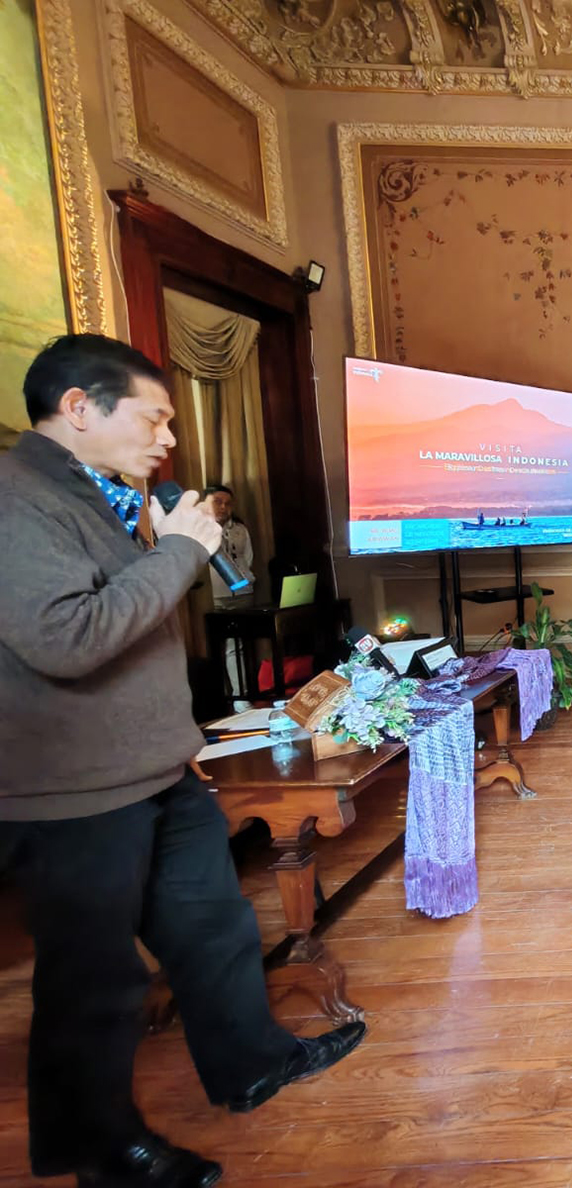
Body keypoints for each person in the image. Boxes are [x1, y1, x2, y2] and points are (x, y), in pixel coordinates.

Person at [0, 336, 364, 1187]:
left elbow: (135, 640)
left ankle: (253, 1063)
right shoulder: (18, 500)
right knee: (95, 982)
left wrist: (177, 741)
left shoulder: (104, 495)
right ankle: (103, 1153)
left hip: (158, 771)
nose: (168, 439)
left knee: (214, 930)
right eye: (154, 418)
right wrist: (179, 552)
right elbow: (68, 639)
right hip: (73, 794)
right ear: (79, 408)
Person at [200, 483, 254, 603]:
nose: (223, 507)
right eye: (217, 502)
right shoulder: (199, 529)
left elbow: (248, 557)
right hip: (215, 594)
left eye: (228, 503)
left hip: (243, 591)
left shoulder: (240, 529)